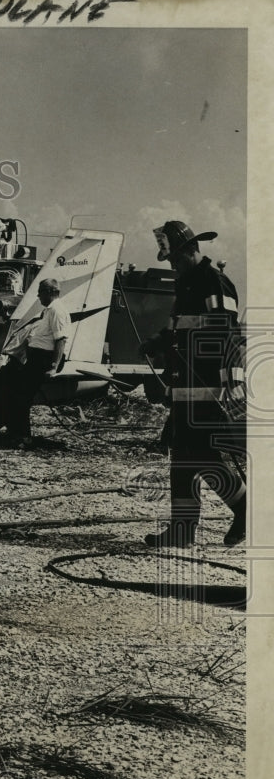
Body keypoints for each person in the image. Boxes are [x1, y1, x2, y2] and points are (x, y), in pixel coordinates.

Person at [140, 220, 246, 548]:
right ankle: (183, 529)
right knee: (183, 451)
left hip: (208, 385)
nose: (171, 265)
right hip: (185, 383)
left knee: (200, 453)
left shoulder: (214, 282)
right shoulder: (185, 283)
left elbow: (228, 334)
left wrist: (228, 386)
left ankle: (246, 508)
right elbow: (179, 326)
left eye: (173, 258)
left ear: (188, 250)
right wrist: (158, 341)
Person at [0, 278, 70, 447]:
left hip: (43, 359)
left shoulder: (56, 310)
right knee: (16, 390)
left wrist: (53, 367)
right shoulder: (49, 310)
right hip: (37, 358)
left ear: (49, 292)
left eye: (40, 292)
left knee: (21, 396)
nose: (38, 296)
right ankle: (16, 433)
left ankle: (22, 437)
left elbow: (60, 340)